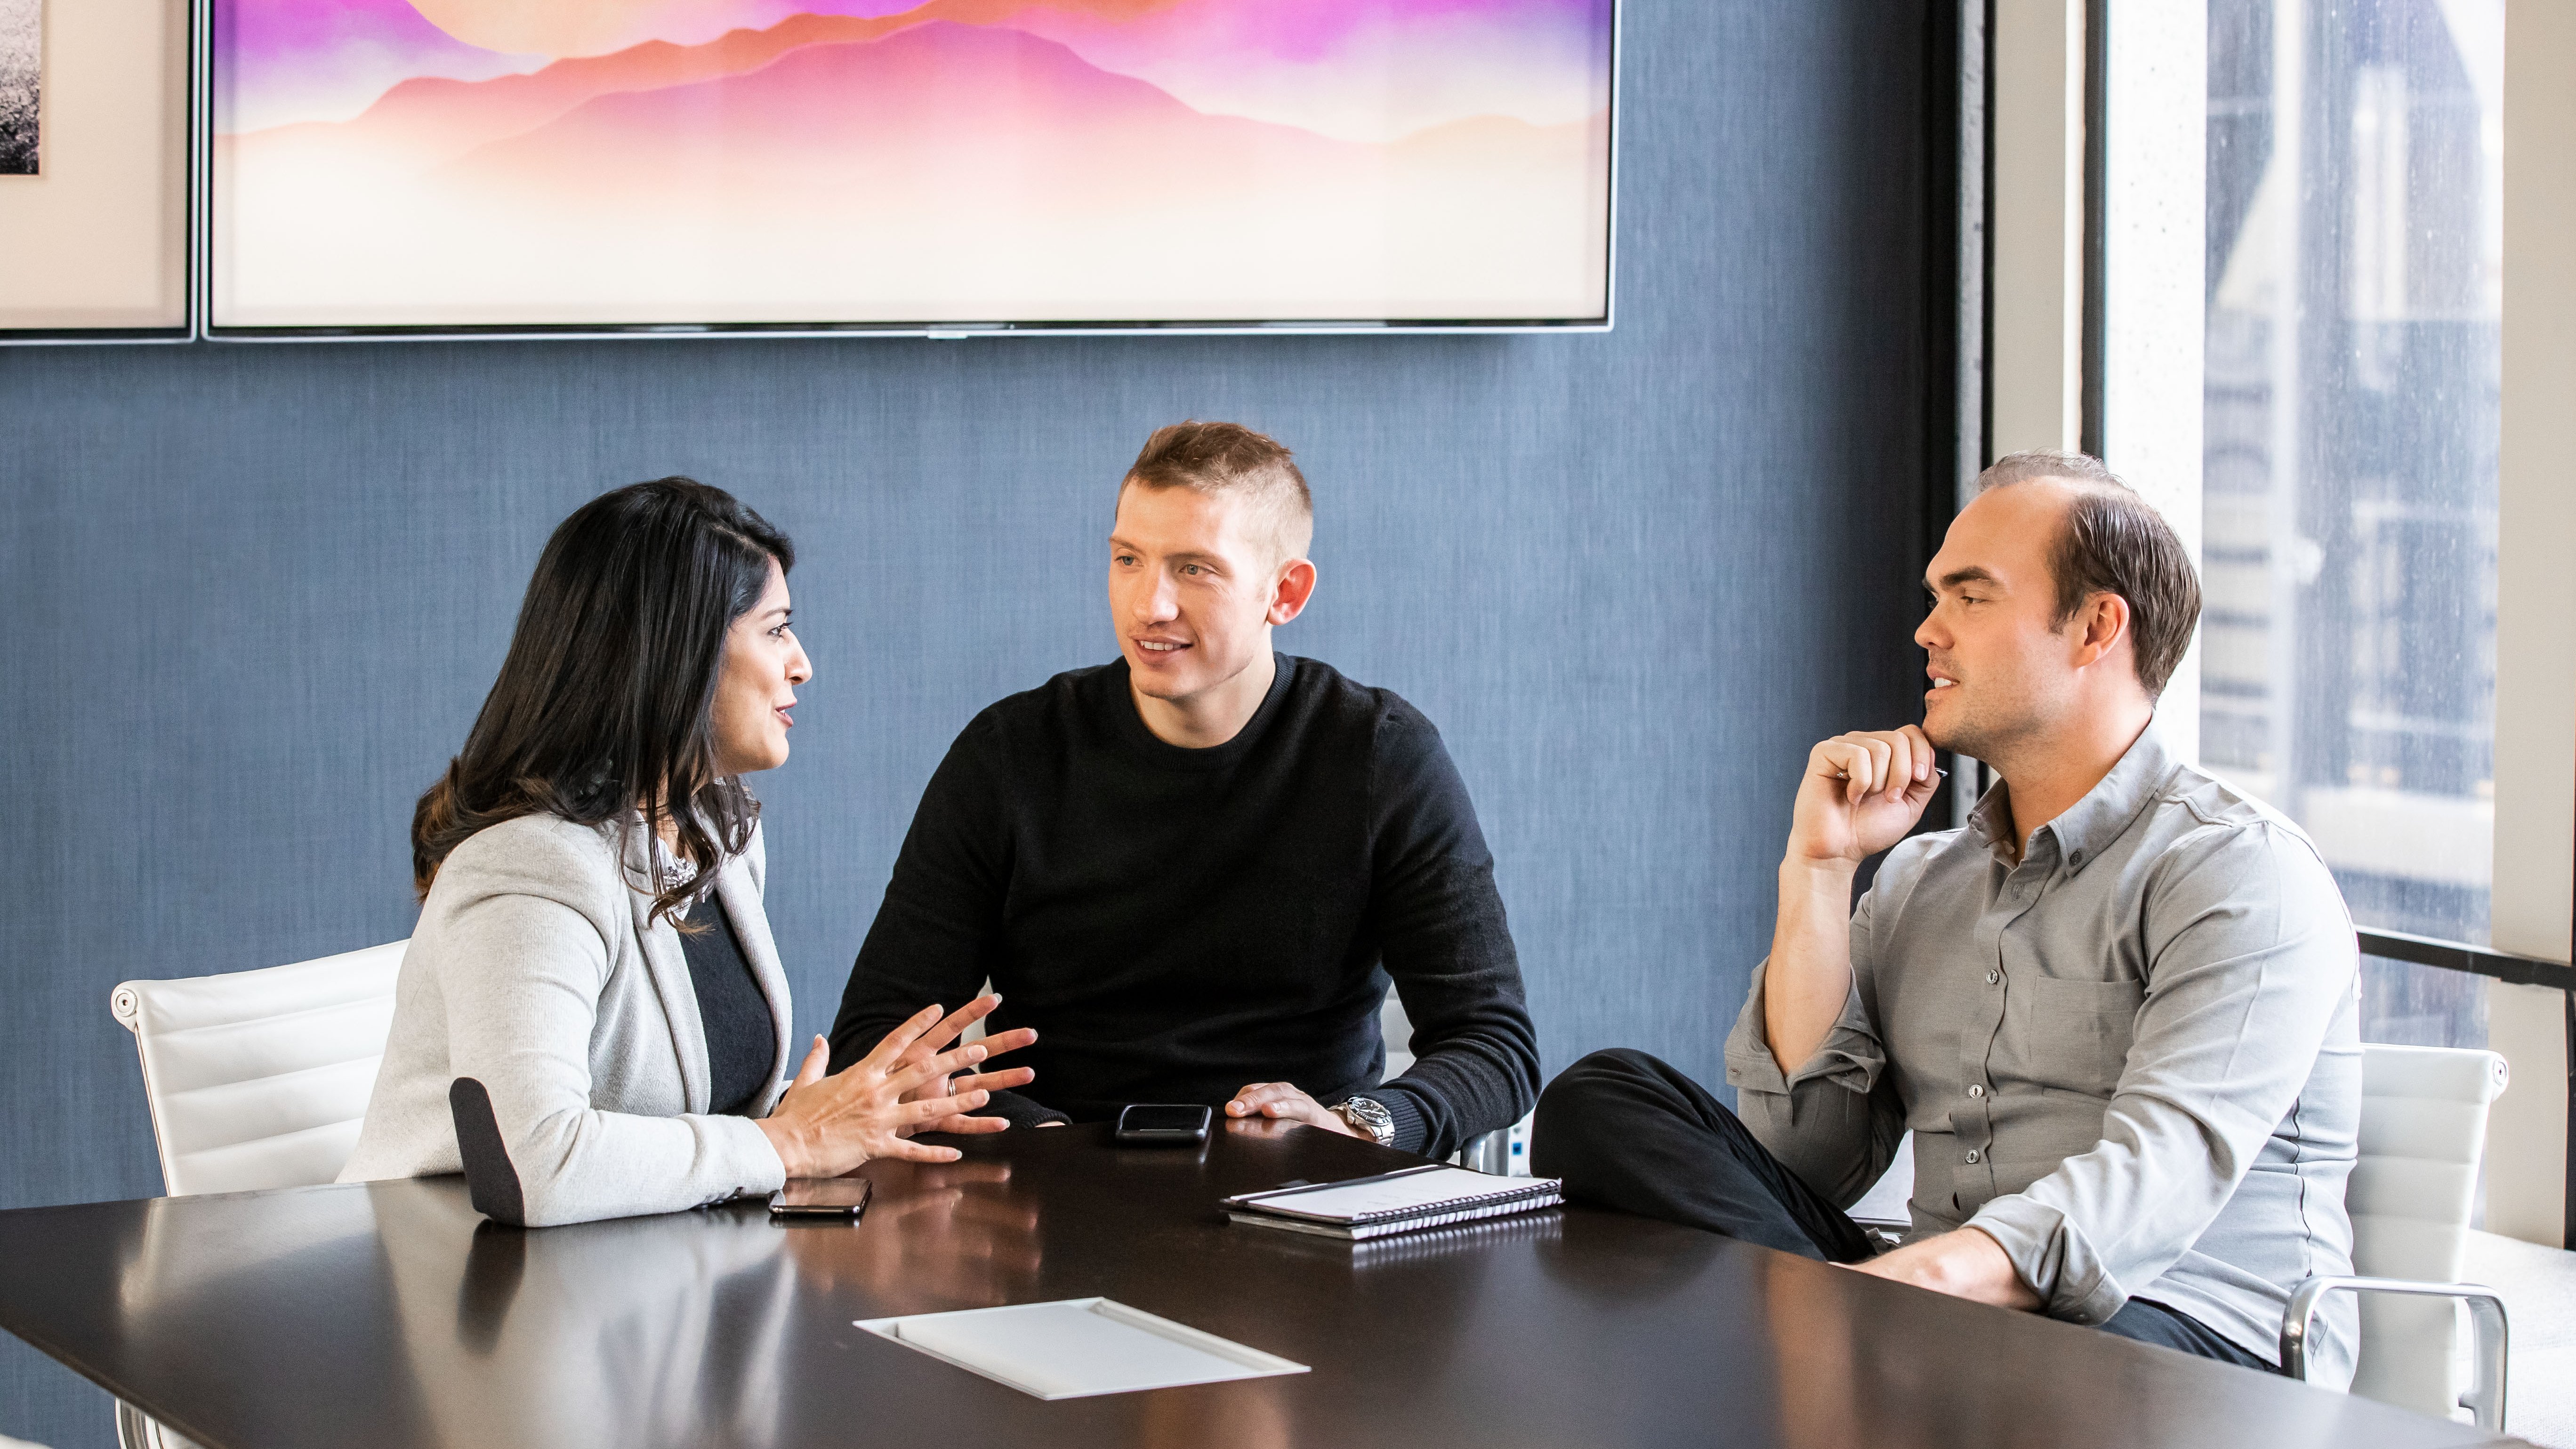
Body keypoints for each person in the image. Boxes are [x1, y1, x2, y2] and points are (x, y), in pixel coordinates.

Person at [1532, 451, 2360, 1383]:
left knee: (2038, 1380)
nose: (1928, 631)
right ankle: (1840, 1367)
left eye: (1970, 598)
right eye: (1935, 598)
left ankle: (1827, 1365)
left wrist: (1895, 1290)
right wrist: (1822, 867)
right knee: (1603, 1102)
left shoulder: (2237, 872)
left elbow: (2157, 1178)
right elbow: (1805, 1166)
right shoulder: (1924, 879)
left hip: (2186, 1335)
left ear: (2095, 627)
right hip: (1930, 1324)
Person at [828, 422, 1538, 1158]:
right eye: (1127, 559)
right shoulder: (1009, 755)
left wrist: (1355, 1123)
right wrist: (1043, 1142)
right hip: (1049, 1187)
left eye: (1195, 569)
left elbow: (1494, 1044)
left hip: (1298, 1192)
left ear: (1284, 592)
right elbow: (878, 1040)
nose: (1149, 605)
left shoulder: (1383, 756)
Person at [340, 479, 1038, 1226]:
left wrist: (843, 1110)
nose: (802, 663)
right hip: (469, 1294)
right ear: (682, 654)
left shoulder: (717, 829)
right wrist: (784, 1141)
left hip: (640, 1278)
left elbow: (695, 1105)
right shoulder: (530, 871)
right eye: (776, 631)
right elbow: (535, 1163)